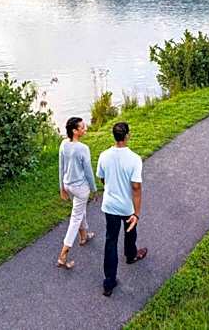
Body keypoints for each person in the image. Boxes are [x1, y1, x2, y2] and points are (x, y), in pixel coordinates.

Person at [96, 121, 147, 296]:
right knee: (130, 231)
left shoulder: (103, 155)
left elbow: (102, 179)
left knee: (110, 241)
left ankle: (109, 283)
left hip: (109, 205)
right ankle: (131, 255)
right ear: (127, 136)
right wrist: (137, 213)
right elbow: (136, 187)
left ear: (114, 135)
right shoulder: (134, 159)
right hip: (126, 207)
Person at [56, 116, 97, 269]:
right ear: (75, 131)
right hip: (80, 188)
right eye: (82, 127)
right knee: (76, 217)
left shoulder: (63, 144)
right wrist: (94, 189)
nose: (85, 129)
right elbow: (88, 172)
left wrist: (61, 187)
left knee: (79, 210)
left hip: (68, 186)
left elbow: (61, 167)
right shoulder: (83, 148)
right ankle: (63, 255)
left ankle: (84, 236)